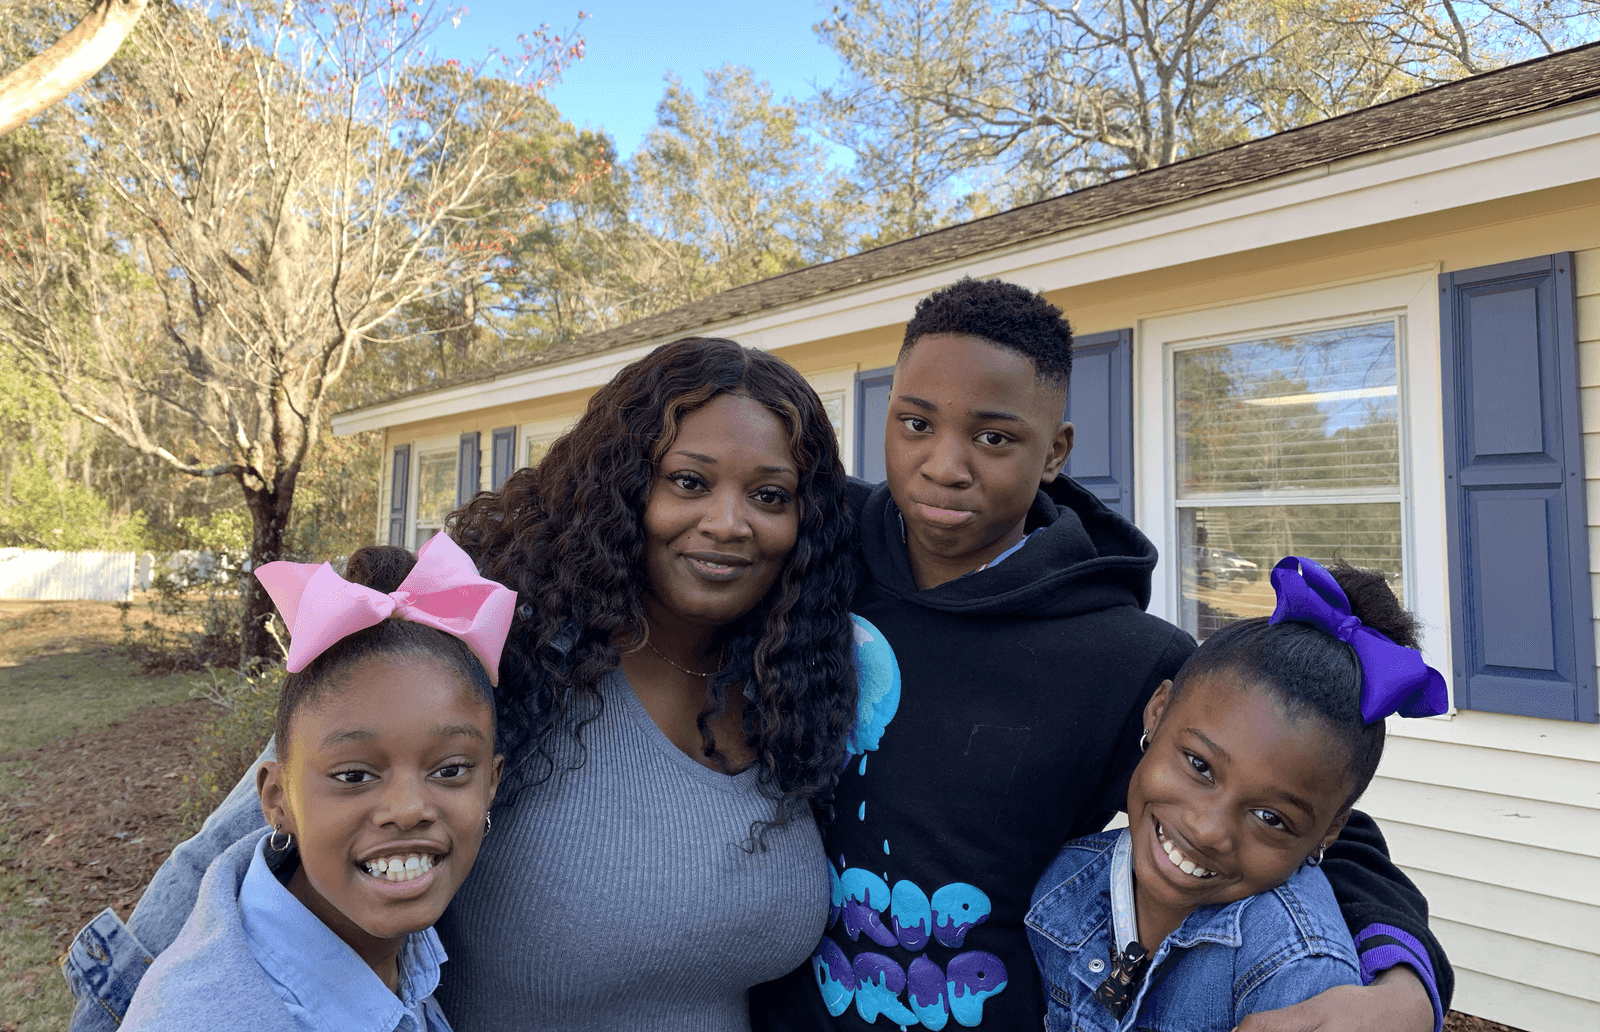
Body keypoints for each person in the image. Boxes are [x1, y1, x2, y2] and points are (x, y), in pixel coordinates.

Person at [64, 338, 861, 1032]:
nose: (729, 521)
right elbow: (241, 851)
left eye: (769, 495)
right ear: (623, 488)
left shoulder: (799, 693)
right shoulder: (491, 652)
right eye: (689, 481)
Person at [751, 278, 1450, 1032]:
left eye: (993, 438)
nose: (945, 465)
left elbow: (1303, 818)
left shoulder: (1126, 661)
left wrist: (1407, 980)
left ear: (1054, 451)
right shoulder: (812, 550)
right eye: (916, 423)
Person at [1026, 556, 1448, 1032]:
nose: (1208, 830)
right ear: (1157, 712)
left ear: (1329, 831)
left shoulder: (1296, 974)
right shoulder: (1065, 884)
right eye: (1200, 766)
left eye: (1270, 817)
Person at [122, 535, 511, 1031]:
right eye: (354, 775)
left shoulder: (395, 952)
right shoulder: (206, 1016)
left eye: (451, 769)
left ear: (491, 783)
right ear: (276, 798)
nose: (409, 808)